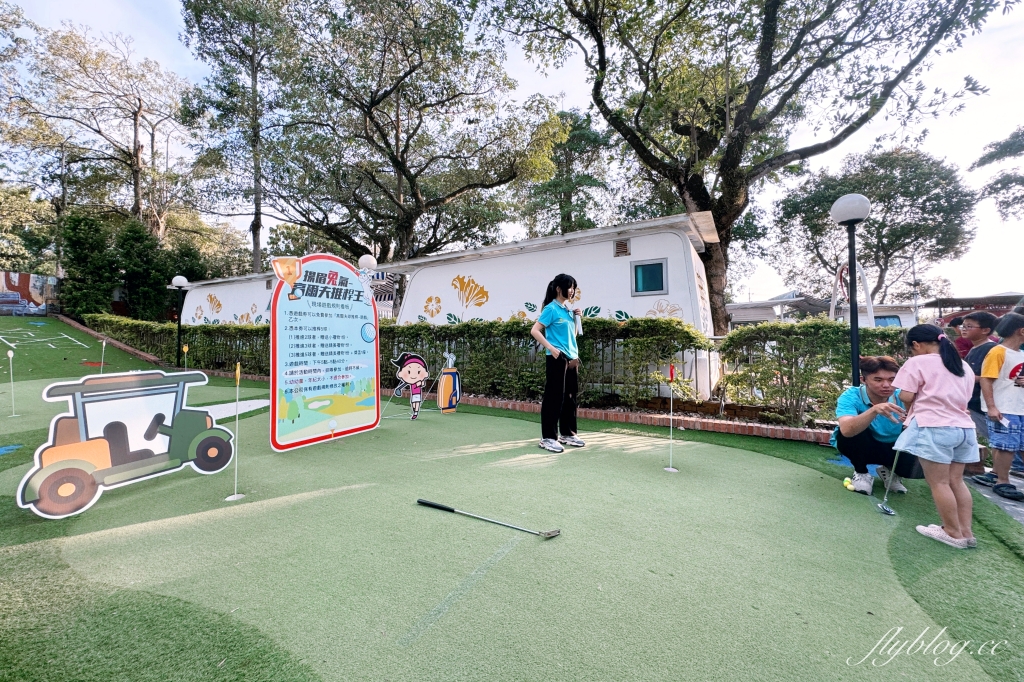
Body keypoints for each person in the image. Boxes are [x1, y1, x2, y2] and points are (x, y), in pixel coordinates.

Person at [892, 325, 979, 549]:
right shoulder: (963, 365)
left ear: (916, 344)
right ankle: (966, 532)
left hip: (934, 427)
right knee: (956, 481)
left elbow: (906, 396)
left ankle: (952, 532)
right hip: (964, 429)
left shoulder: (917, 362)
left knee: (939, 482)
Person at [832, 356, 919, 495]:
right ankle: (861, 472)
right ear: (863, 380)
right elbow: (847, 430)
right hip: (865, 445)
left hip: (893, 447)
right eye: (878, 380)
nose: (886, 385)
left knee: (920, 468)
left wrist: (911, 421)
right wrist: (874, 410)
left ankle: (890, 470)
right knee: (850, 432)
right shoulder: (851, 395)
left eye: (892, 380)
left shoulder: (904, 397)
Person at [531, 274, 584, 453]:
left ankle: (568, 434)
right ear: (559, 289)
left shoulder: (567, 310)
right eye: (570, 287)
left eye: (574, 288)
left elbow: (572, 336)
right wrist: (551, 348)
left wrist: (577, 318)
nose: (572, 291)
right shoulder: (551, 309)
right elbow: (535, 330)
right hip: (557, 358)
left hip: (572, 358)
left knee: (570, 397)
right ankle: (548, 438)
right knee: (554, 397)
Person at [973, 312, 1024, 500]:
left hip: (1018, 406)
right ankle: (1002, 481)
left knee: (1015, 444)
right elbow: (986, 379)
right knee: (1005, 446)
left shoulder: (1020, 354)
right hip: (1004, 407)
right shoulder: (998, 352)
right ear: (1021, 331)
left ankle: (996, 473)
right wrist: (992, 406)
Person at [961, 311, 999, 476]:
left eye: (969, 326)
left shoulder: (990, 349)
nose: (964, 329)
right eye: (963, 325)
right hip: (973, 401)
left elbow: (987, 377)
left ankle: (999, 474)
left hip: (981, 403)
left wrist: (961, 377)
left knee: (996, 439)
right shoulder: (975, 348)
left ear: (985, 330)